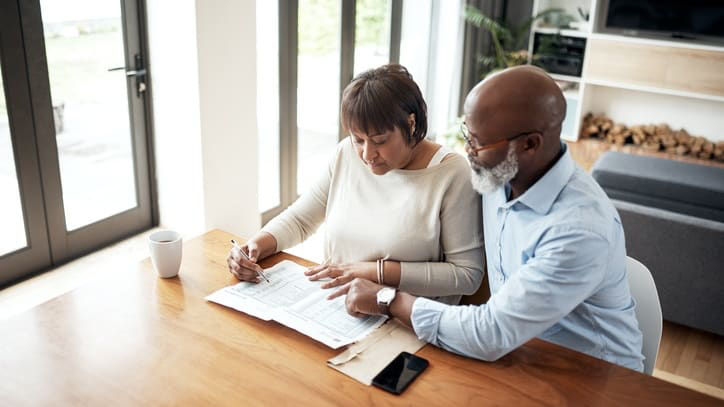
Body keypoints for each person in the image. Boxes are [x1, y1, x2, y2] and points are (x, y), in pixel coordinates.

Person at [331, 65, 645, 372]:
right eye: (468, 135)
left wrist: (388, 298)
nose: (468, 152)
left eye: (478, 143)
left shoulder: (579, 230)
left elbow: (490, 332)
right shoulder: (498, 175)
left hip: (594, 376)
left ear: (530, 145)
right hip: (517, 358)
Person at [227, 64, 484, 305]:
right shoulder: (346, 155)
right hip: (337, 307)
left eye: (380, 140)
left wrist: (376, 272)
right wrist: (256, 246)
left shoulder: (452, 174)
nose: (367, 154)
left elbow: (467, 275)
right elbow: (300, 220)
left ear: (411, 123)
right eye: (358, 139)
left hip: (407, 321)